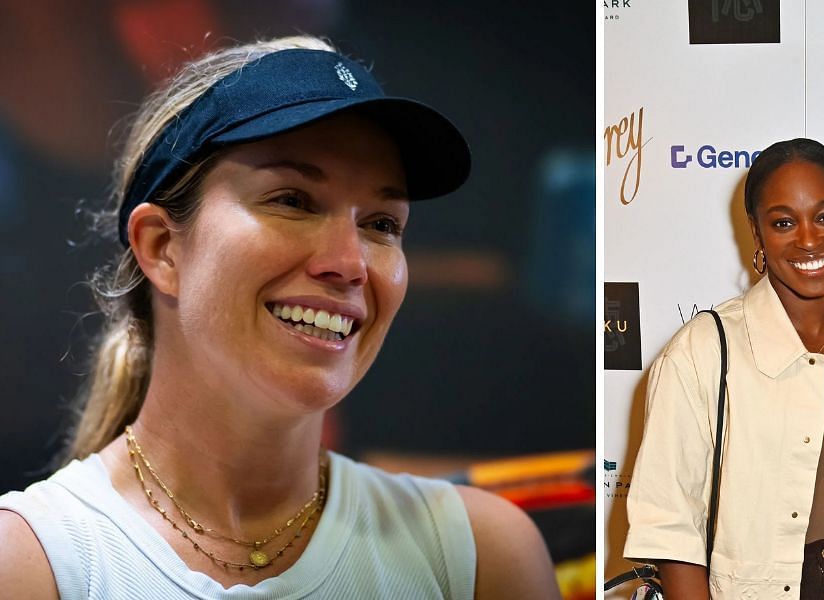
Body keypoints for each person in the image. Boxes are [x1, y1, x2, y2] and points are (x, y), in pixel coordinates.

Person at [0, 37, 560, 599]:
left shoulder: (479, 556)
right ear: (162, 246)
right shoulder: (31, 562)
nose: (350, 264)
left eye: (383, 224)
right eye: (292, 200)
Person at [624, 138, 824, 599]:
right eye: (784, 222)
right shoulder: (700, 352)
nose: (809, 239)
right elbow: (670, 527)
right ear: (757, 232)